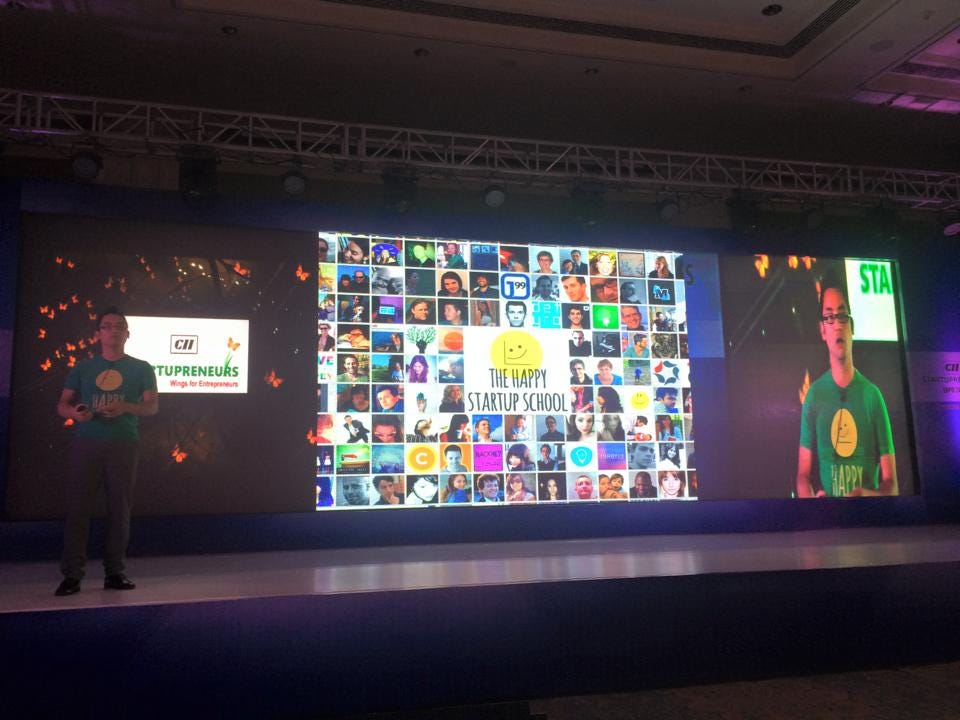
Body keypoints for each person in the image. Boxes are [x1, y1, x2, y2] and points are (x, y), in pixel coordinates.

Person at [54, 307, 158, 596]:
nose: (113, 330)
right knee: (78, 509)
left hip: (124, 443)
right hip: (87, 442)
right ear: (98, 333)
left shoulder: (142, 368)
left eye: (119, 326)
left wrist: (124, 406)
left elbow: (152, 406)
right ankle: (72, 575)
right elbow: (62, 404)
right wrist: (75, 414)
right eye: (107, 326)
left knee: (120, 510)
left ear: (127, 333)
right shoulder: (83, 367)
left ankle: (114, 572)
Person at [797, 284, 896, 497]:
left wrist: (866, 496)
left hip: (868, 517)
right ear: (822, 330)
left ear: (852, 325)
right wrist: (812, 504)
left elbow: (892, 484)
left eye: (842, 316)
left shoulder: (872, 396)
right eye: (829, 317)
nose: (837, 325)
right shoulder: (814, 396)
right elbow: (802, 476)